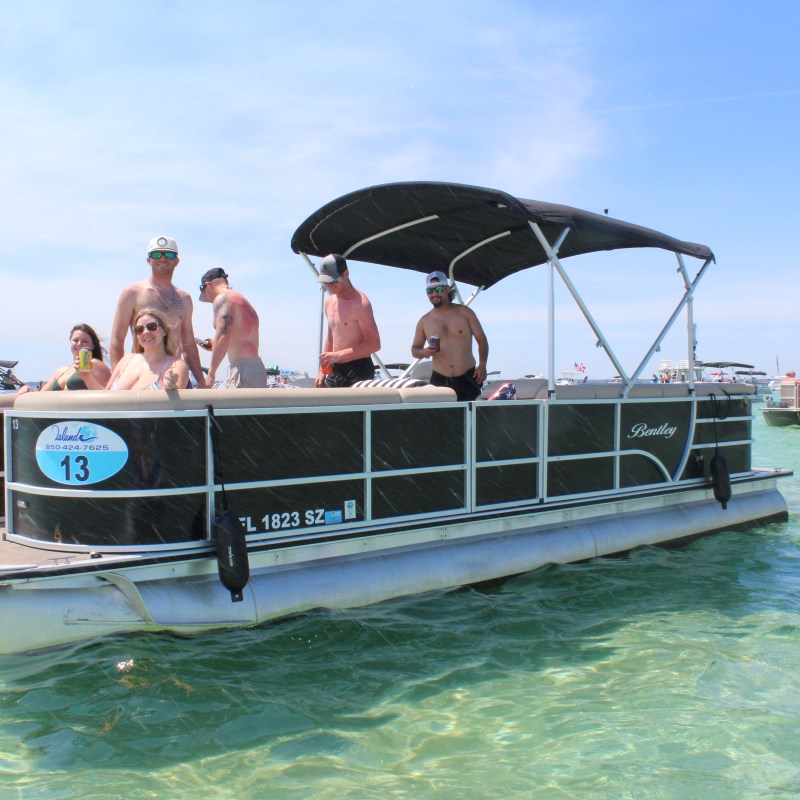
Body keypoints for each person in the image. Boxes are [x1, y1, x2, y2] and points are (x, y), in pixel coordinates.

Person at [109, 235, 205, 386]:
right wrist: (118, 379)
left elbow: (188, 344)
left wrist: (201, 381)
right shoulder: (132, 293)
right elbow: (117, 339)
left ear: (176, 261)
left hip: (175, 375)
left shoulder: (185, 299)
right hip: (143, 374)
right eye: (155, 254)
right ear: (148, 260)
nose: (162, 258)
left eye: (168, 254)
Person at [410, 271, 489, 401]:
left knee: (472, 417)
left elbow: (482, 340)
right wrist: (425, 351)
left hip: (468, 376)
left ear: (447, 289)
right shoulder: (424, 321)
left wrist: (482, 364)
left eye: (439, 289)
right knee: (442, 419)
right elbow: (414, 350)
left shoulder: (465, 313)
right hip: (439, 378)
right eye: (430, 291)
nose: (434, 294)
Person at [316, 254, 381, 387]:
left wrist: (339, 355)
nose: (329, 286)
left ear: (346, 274)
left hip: (358, 368)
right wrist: (322, 371)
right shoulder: (329, 302)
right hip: (335, 367)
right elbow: (330, 338)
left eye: (333, 281)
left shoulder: (360, 304)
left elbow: (374, 344)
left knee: (352, 408)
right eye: (325, 282)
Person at [198, 267, 267, 388]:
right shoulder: (240, 299)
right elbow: (239, 336)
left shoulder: (222, 299)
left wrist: (211, 374)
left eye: (205, 293)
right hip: (256, 368)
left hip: (242, 370)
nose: (209, 299)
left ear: (208, 286)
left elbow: (222, 335)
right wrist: (215, 345)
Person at [106, 308, 189, 390]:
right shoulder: (126, 361)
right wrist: (91, 375)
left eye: (152, 327)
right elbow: (105, 395)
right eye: (139, 329)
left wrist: (171, 388)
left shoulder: (176, 365)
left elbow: (176, 399)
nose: (145, 332)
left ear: (164, 331)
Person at [17, 324, 111, 394]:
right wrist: (28, 390)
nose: (79, 344)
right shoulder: (61, 371)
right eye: (75, 340)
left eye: (85, 341)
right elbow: (42, 395)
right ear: (70, 342)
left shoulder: (96, 365)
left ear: (93, 346)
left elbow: (107, 395)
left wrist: (87, 377)